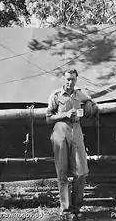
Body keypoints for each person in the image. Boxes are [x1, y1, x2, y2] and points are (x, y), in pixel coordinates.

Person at [46, 69, 97, 217]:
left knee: (81, 171)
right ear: (63, 79)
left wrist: (88, 102)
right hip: (60, 131)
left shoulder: (79, 93)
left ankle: (77, 207)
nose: (70, 82)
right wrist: (65, 114)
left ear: (76, 80)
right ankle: (66, 209)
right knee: (62, 172)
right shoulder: (55, 95)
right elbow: (48, 117)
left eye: (73, 79)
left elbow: (89, 99)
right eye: (68, 79)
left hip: (76, 130)